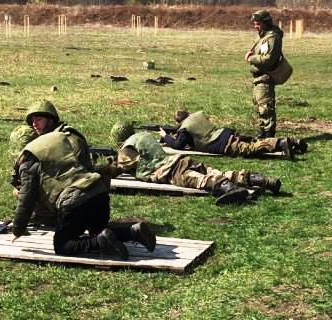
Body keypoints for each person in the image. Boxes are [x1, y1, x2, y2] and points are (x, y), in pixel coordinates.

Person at [11, 131, 156, 260]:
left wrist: (18, 229)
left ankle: (100, 242)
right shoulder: (55, 144)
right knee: (98, 230)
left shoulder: (28, 164)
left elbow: (26, 200)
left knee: (63, 245)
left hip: (76, 201)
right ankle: (132, 232)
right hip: (98, 192)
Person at [110, 122, 283, 206]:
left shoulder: (126, 149)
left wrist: (108, 164)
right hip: (181, 160)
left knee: (202, 181)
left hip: (169, 171)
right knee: (217, 172)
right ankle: (259, 180)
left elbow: (120, 168)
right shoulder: (143, 136)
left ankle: (230, 189)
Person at [9, 100, 93, 226]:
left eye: (38, 119)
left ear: (50, 119)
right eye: (32, 120)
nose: (34, 124)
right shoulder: (53, 137)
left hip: (75, 197)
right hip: (75, 195)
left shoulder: (65, 139)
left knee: (24, 188)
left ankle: (50, 218)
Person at [158, 110, 307, 160]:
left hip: (221, 144)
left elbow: (179, 146)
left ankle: (282, 144)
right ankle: (292, 142)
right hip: (225, 132)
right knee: (253, 140)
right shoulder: (196, 117)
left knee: (250, 149)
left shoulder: (184, 128)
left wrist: (166, 136)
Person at [245, 9, 285, 138]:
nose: (255, 26)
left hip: (265, 76)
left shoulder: (272, 37)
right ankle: (263, 133)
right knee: (260, 106)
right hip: (258, 77)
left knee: (266, 108)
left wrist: (252, 58)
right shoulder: (262, 35)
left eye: (258, 23)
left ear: (266, 22)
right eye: (254, 23)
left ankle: (268, 137)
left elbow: (269, 59)